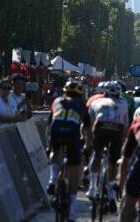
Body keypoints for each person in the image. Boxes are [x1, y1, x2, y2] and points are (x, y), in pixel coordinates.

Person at [46, 80, 92, 222]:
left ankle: (52, 179)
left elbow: (48, 128)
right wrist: (87, 146)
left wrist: (49, 146)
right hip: (72, 133)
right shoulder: (82, 105)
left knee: (55, 151)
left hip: (57, 129)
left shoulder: (56, 101)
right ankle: (71, 211)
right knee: (74, 168)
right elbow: (87, 129)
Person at [85, 81, 129, 211]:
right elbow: (126, 126)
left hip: (101, 126)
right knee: (113, 162)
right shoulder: (123, 103)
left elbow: (91, 122)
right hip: (117, 129)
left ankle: (92, 187)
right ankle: (111, 192)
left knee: (97, 154)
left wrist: (91, 139)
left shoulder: (96, 102)